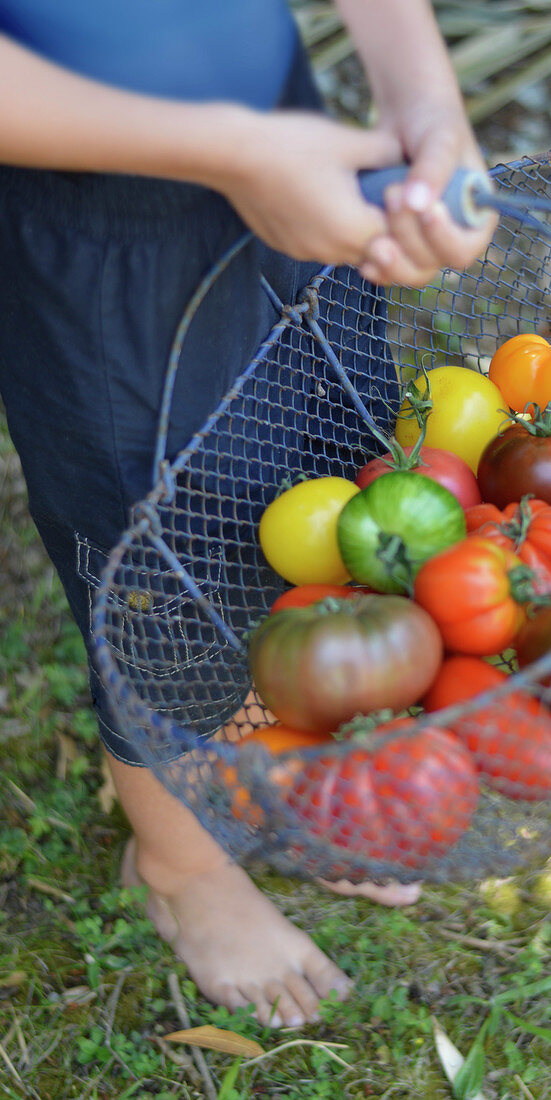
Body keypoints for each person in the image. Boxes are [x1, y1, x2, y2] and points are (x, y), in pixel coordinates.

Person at [0, 0, 495, 1027]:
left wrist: (419, 92)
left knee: (321, 474)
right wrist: (229, 151)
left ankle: (271, 758)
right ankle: (180, 866)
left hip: (288, 147)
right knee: (165, 576)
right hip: (104, 221)